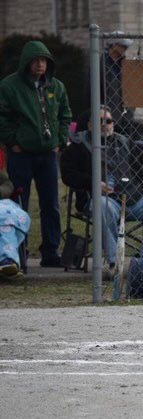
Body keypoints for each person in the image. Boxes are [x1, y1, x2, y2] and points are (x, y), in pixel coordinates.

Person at [60, 106, 143, 277]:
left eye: (109, 121)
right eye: (99, 121)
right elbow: (68, 175)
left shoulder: (128, 143)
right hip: (103, 199)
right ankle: (113, 263)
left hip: (135, 198)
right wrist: (93, 183)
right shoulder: (78, 146)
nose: (105, 125)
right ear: (90, 125)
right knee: (103, 205)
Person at [0, 40, 72, 267]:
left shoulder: (56, 86)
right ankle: (18, 253)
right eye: (36, 60)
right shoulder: (10, 86)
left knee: (50, 203)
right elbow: (2, 117)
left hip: (48, 154)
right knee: (18, 203)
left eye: (44, 61)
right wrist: (13, 142)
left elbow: (65, 115)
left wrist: (59, 141)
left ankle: (50, 251)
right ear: (26, 62)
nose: (40, 65)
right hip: (21, 154)